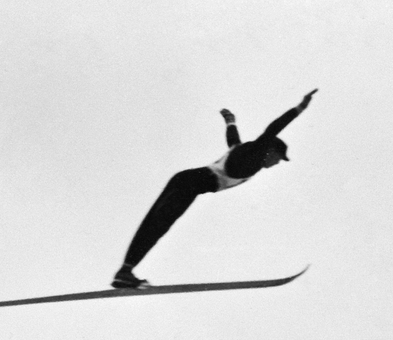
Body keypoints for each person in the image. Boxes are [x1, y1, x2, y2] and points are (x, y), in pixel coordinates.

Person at [112, 89, 319, 289]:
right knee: (158, 225)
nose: (276, 164)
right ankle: (126, 271)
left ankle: (125, 271)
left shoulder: (243, 153)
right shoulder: (257, 153)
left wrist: (230, 121)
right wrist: (300, 107)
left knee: (154, 224)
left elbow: (233, 141)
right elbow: (274, 128)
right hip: (191, 184)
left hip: (186, 180)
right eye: (278, 158)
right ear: (270, 150)